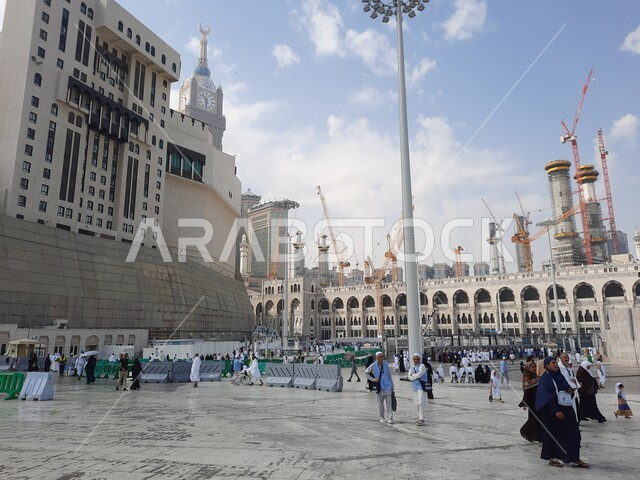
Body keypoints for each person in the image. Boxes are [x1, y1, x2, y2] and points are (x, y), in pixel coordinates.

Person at [536, 357, 590, 468]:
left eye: (556, 362)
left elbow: (566, 387)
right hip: (553, 411)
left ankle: (574, 457)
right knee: (555, 435)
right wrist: (555, 411)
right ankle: (553, 458)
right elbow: (546, 397)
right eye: (553, 363)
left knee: (574, 434)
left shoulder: (560, 376)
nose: (556, 364)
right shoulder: (545, 379)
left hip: (566, 407)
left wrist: (569, 390)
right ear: (547, 365)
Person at [364, 352, 395, 424]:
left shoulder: (386, 364)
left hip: (388, 386)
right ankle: (381, 417)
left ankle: (390, 418)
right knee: (380, 404)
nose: (380, 358)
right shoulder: (373, 365)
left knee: (389, 404)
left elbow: (389, 375)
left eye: (381, 357)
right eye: (379, 357)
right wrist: (373, 379)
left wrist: (392, 386)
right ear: (376, 358)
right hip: (379, 387)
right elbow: (366, 372)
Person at [519, 361, 542, 443]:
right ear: (528, 368)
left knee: (536, 419)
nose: (534, 368)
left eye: (535, 367)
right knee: (534, 419)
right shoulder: (527, 377)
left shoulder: (535, 376)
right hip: (532, 401)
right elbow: (527, 390)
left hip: (538, 400)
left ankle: (533, 434)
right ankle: (526, 432)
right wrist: (525, 403)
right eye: (532, 367)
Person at [408, 353, 429, 426]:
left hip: (421, 387)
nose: (415, 360)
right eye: (414, 359)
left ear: (420, 359)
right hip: (414, 387)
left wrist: (412, 376)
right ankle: (419, 417)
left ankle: (422, 418)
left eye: (417, 359)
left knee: (421, 402)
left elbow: (420, 374)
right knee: (416, 403)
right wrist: (412, 377)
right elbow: (408, 376)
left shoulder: (422, 366)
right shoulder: (412, 366)